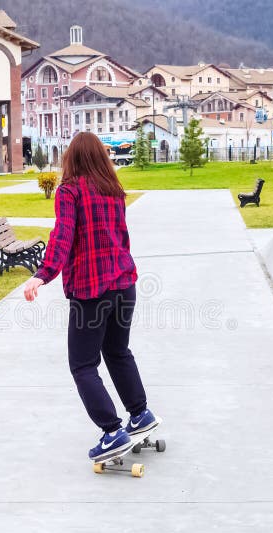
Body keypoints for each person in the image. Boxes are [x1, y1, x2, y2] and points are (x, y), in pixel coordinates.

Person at [23, 132, 160, 462]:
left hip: (92, 290)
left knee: (83, 365)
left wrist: (43, 274)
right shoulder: (114, 191)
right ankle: (140, 414)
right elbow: (122, 239)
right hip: (124, 284)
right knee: (117, 351)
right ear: (100, 157)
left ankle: (112, 432)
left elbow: (63, 236)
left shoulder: (69, 191)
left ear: (72, 157)